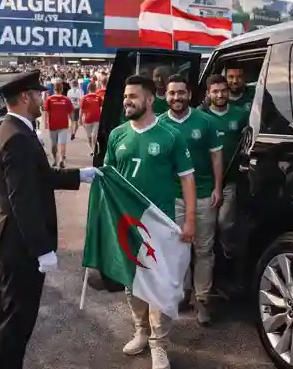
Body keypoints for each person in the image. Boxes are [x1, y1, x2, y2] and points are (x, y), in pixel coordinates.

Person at [0, 70, 97, 369]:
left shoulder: (14, 129)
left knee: (4, 312)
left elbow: (40, 176)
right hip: (20, 243)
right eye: (38, 94)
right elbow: (22, 199)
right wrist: (41, 249)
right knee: (16, 320)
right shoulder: (18, 137)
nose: (42, 98)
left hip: (10, 237)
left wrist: (79, 175)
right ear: (25, 97)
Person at [103, 74, 197, 369]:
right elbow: (108, 181)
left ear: (148, 99)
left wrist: (190, 220)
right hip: (126, 224)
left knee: (160, 284)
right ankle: (141, 332)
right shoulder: (117, 134)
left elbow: (187, 180)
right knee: (132, 282)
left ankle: (159, 344)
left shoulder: (170, 135)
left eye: (132, 96)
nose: (126, 101)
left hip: (161, 223)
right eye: (125, 97)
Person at [159, 75, 223, 326]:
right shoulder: (159, 124)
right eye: (172, 93)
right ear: (166, 95)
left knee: (204, 250)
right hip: (173, 197)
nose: (176, 97)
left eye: (181, 93)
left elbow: (217, 158)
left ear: (190, 94)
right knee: (177, 249)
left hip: (205, 194)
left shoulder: (205, 121)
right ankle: (181, 294)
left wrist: (218, 187)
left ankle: (203, 300)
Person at [205, 74, 249, 294]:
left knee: (225, 226)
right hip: (205, 183)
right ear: (208, 94)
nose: (220, 94)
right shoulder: (200, 117)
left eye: (223, 90)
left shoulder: (241, 115)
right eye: (215, 91)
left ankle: (230, 270)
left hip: (229, 181)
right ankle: (209, 280)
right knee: (207, 231)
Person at [43, 82, 73, 167]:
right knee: (62, 143)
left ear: (54, 89)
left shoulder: (49, 99)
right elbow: (71, 112)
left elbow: (45, 112)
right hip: (63, 124)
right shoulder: (66, 99)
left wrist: (45, 123)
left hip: (53, 124)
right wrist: (72, 123)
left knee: (54, 144)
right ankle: (61, 160)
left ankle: (55, 160)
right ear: (62, 89)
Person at [79, 82, 103, 154]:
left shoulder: (98, 97)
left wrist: (80, 119)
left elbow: (81, 110)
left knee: (93, 135)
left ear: (88, 88)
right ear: (95, 88)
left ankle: (94, 150)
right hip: (89, 120)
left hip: (95, 119)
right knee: (90, 136)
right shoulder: (85, 98)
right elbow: (82, 109)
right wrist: (80, 119)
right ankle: (92, 149)